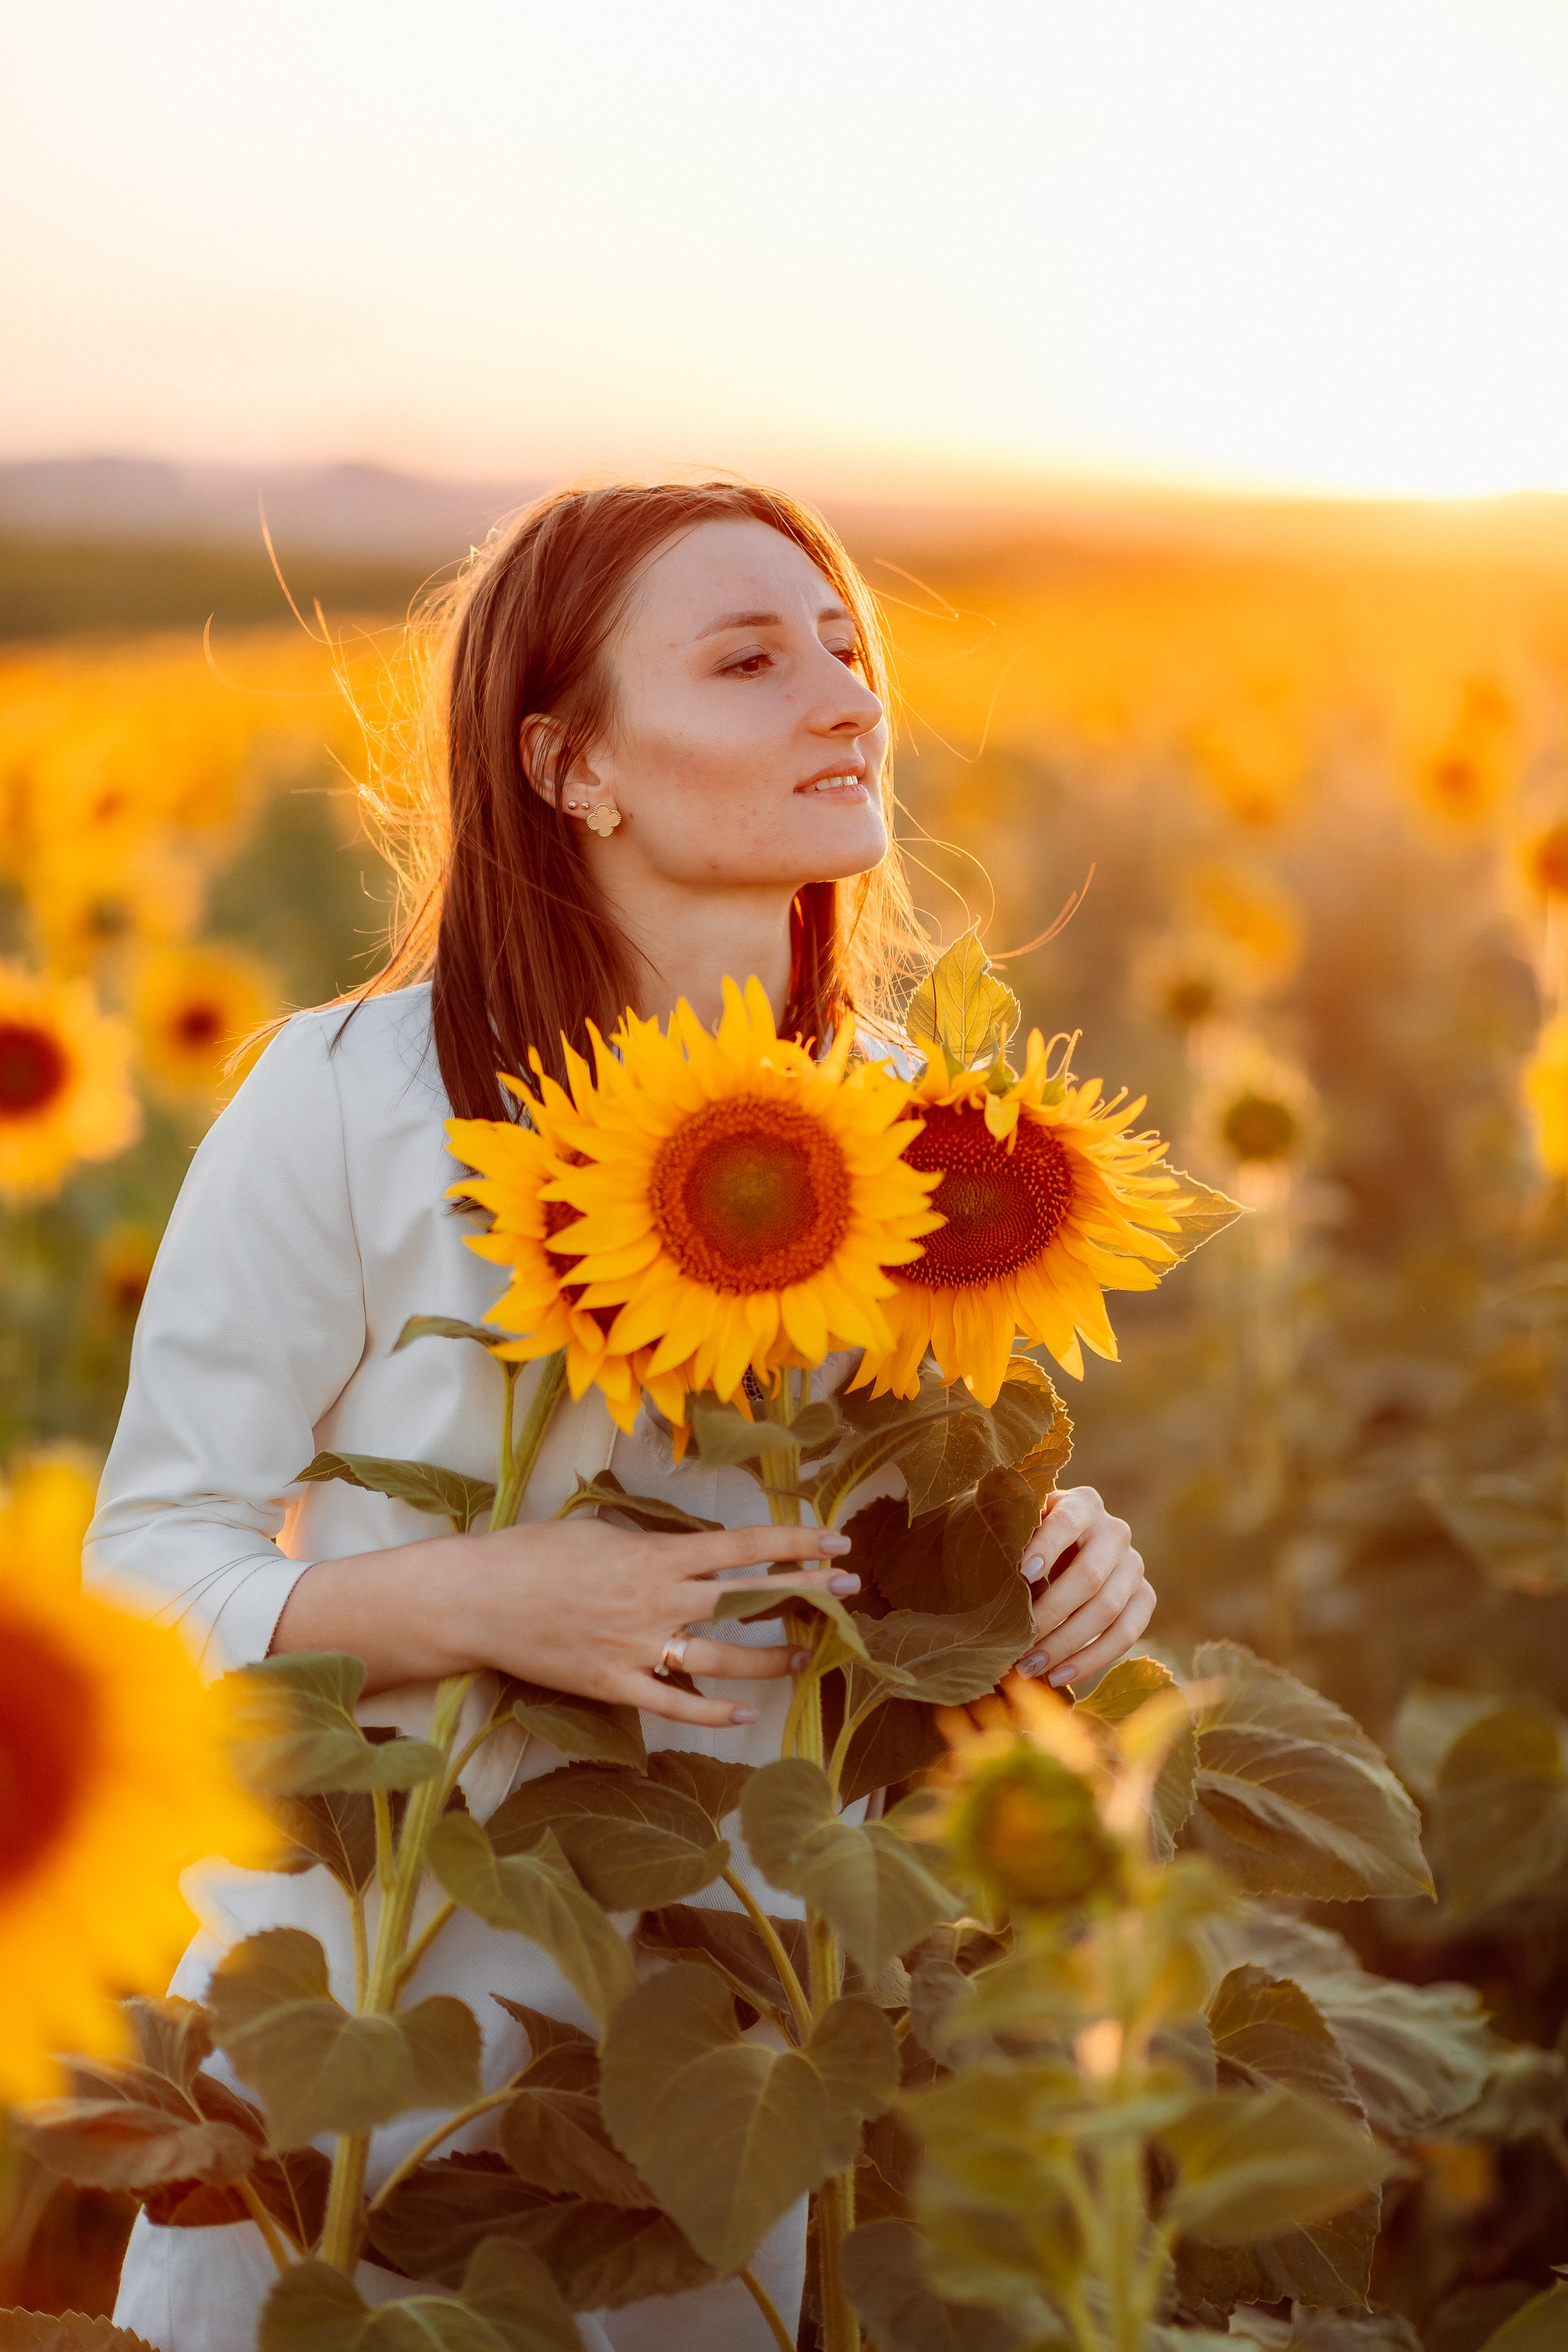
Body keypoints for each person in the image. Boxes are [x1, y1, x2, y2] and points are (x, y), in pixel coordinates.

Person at [86, 480, 1155, 2352]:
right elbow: (139, 1574)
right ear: (571, 765)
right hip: (402, 2002)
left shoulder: (922, 1129)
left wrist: (1052, 1575)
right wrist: (479, 1599)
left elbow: (909, 1537)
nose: (844, 697)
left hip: (752, 2055)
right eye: (750, 659)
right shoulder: (349, 1098)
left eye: (844, 647)